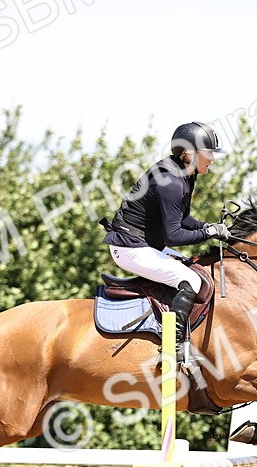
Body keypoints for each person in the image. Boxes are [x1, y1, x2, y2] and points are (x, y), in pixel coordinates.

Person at [101, 121, 232, 367]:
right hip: (130, 247)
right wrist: (208, 232)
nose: (212, 158)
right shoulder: (170, 181)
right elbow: (175, 236)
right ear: (189, 154)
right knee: (190, 281)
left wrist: (210, 227)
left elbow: (184, 219)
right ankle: (174, 347)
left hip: (145, 244)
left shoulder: (186, 174)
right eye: (209, 153)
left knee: (195, 268)